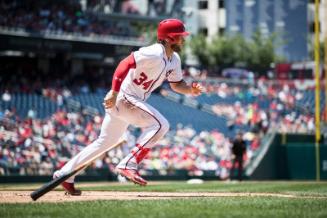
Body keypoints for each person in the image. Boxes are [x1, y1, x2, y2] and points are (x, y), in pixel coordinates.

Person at [53, 18, 204, 195]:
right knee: (161, 125)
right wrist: (114, 92)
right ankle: (128, 163)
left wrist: (189, 90)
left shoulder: (174, 59)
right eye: (179, 36)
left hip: (128, 101)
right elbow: (125, 64)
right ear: (169, 38)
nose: (183, 40)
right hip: (125, 98)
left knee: (105, 142)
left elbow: (176, 84)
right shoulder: (154, 52)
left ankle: (65, 174)